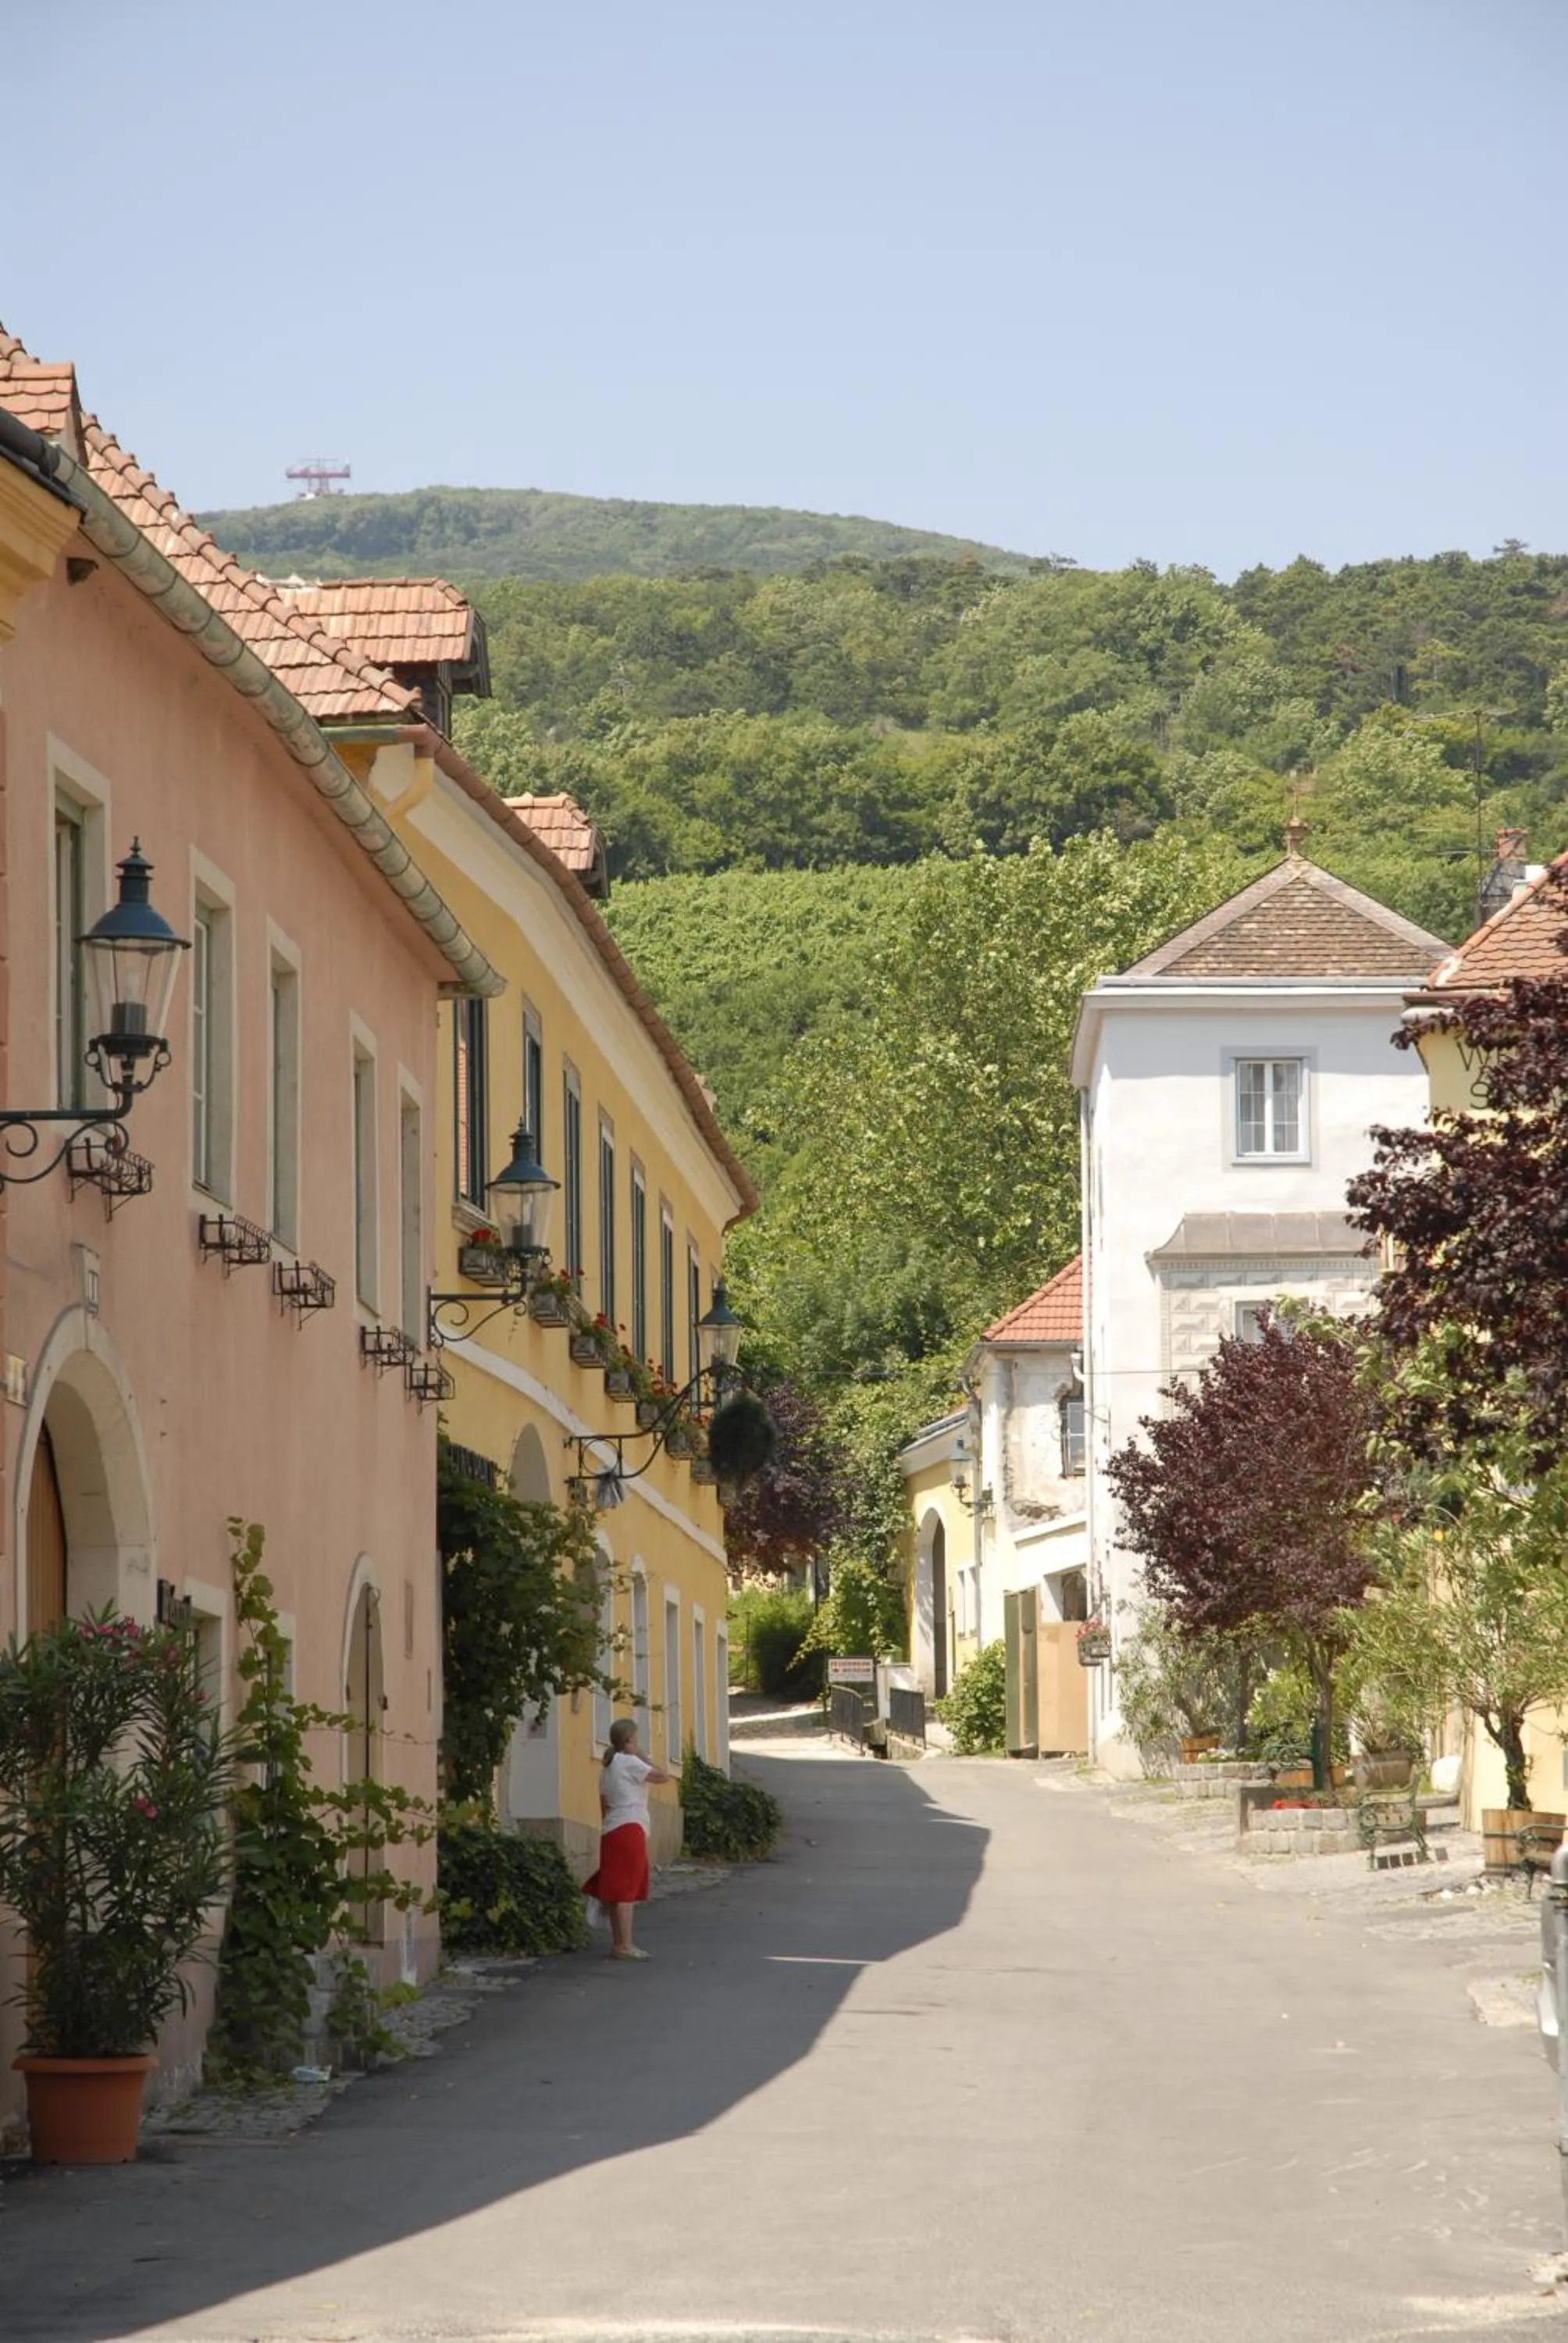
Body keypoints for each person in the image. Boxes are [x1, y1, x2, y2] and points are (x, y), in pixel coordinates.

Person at [583, 1717, 672, 1961]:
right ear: (630, 1739)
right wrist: (642, 1754)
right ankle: (626, 1945)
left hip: (611, 1829)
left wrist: (610, 1823)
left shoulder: (607, 1769)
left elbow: (603, 1805)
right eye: (636, 1739)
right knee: (626, 1890)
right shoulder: (629, 1761)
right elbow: (662, 1776)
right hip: (630, 1826)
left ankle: (618, 1943)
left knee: (616, 1889)